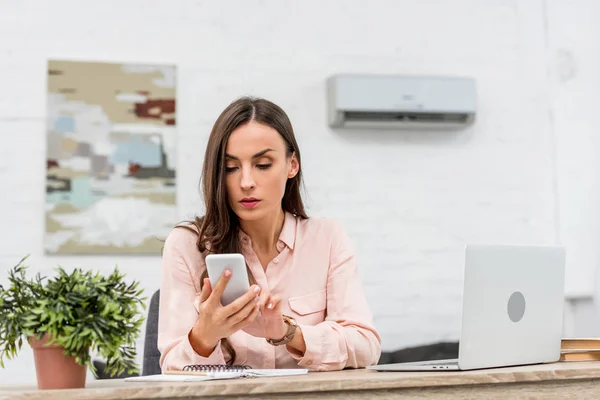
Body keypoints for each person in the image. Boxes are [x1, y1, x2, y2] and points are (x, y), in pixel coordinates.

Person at [157, 97, 381, 372]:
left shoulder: (328, 238)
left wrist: (286, 332)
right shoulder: (188, 245)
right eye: (230, 168)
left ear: (292, 165)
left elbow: (365, 346)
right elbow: (171, 366)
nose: (246, 182)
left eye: (263, 164)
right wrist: (205, 335)